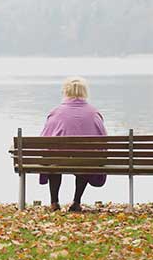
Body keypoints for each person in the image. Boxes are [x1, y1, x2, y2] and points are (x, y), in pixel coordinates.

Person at [40, 76, 107, 212]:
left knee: (53, 162)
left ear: (65, 91)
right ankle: (76, 202)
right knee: (85, 161)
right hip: (85, 161)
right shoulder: (94, 113)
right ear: (85, 92)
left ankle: (54, 202)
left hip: (58, 160)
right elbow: (104, 141)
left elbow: (44, 140)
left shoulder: (55, 113)